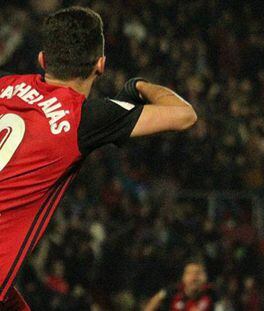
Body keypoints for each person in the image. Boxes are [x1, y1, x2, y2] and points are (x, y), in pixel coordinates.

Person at [0, 6, 197, 310]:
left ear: (42, 59)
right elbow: (184, 115)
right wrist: (139, 86)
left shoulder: (4, 84)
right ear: (101, 65)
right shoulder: (86, 118)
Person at [144, 260, 217, 311]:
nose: (194, 278)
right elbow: (156, 299)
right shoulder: (173, 291)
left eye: (198, 273)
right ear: (183, 277)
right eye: (190, 273)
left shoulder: (212, 293)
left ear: (205, 277)